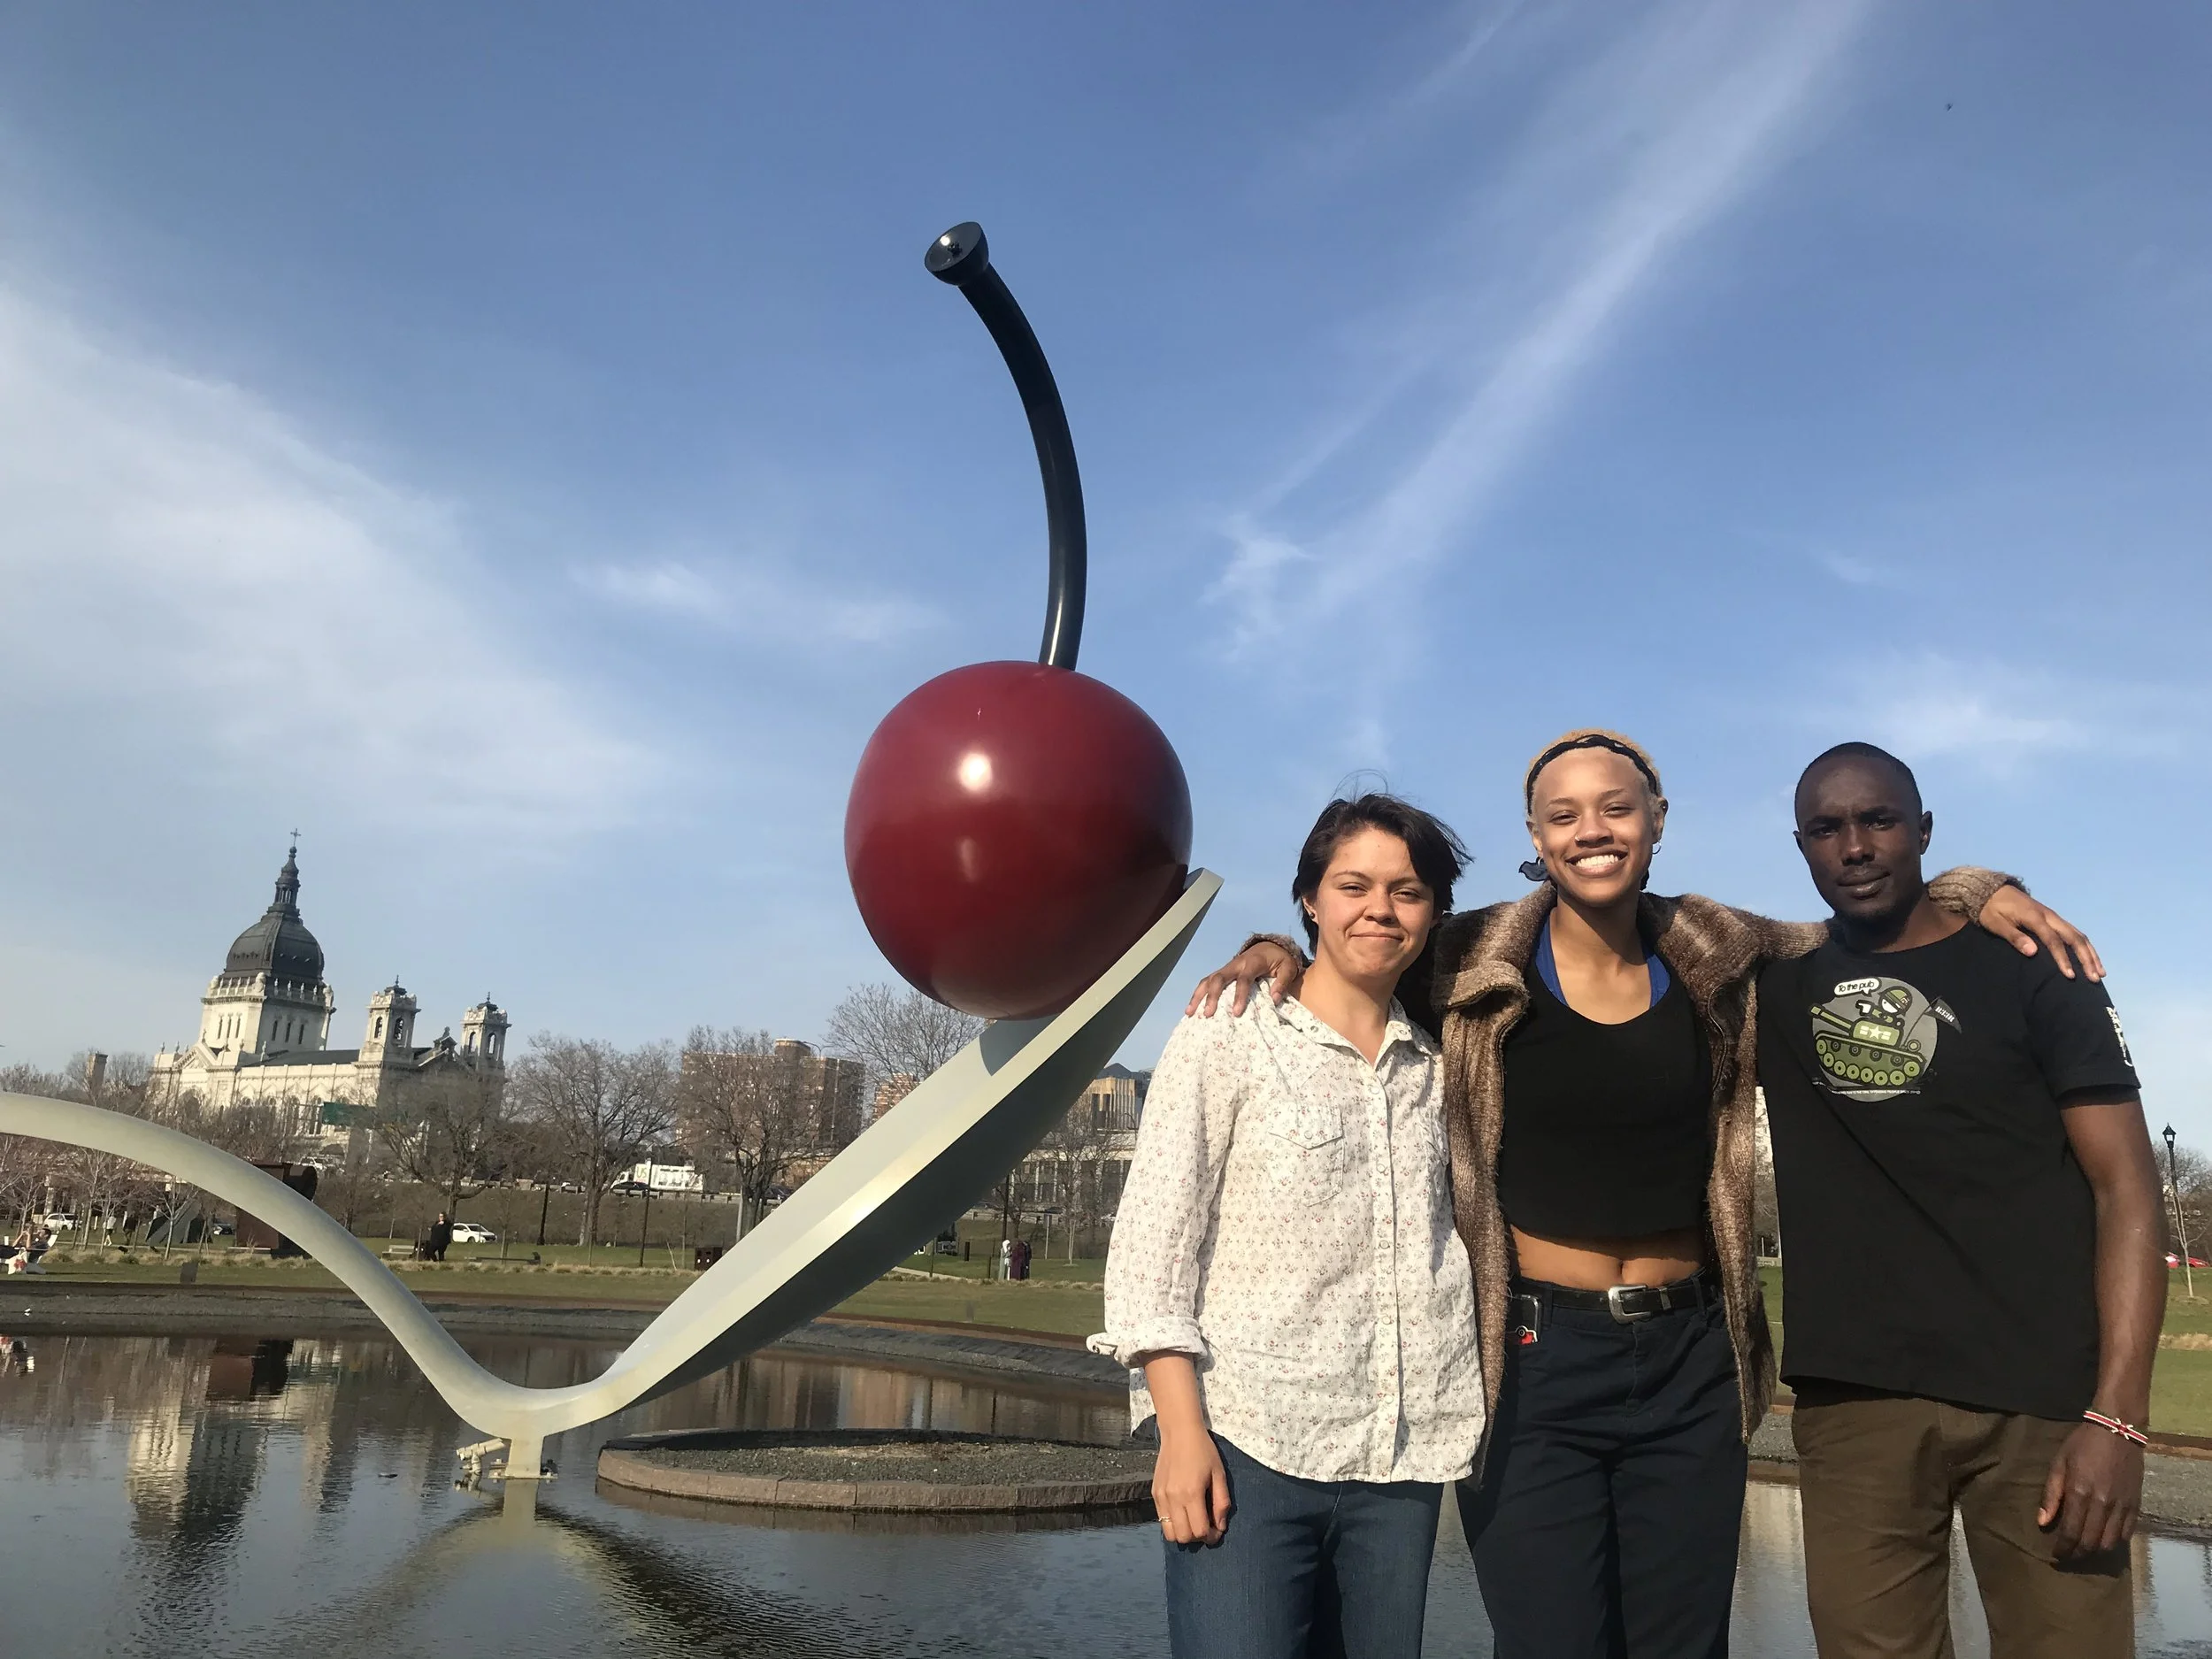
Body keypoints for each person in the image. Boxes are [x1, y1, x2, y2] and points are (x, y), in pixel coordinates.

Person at [1189, 731, 2097, 1659]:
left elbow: (1852, 919)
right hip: (1534, 1362)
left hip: (1688, 1358)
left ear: (1655, 822)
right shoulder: (1469, 959)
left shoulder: (1714, 946)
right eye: (1564, 815)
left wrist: (1973, 888)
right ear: (1536, 838)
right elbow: (1362, 945)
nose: (1593, 830)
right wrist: (1271, 949)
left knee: (1682, 1641)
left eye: (1616, 808)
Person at [1763, 743, 2158, 1659]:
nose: (1854, 846)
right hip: (1857, 1408)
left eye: (1879, 821)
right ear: (1801, 848)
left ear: (1924, 833)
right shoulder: (1775, 982)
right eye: (1826, 829)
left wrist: (2118, 1419)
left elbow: (2128, 1190)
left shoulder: (2033, 968)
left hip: (2041, 1406)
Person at [1092, 795, 1485, 1659]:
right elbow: (1156, 1241)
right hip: (1249, 1444)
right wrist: (1181, 1433)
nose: (1379, 909)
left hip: (1400, 1458)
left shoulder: (1443, 1059)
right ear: (1309, 897)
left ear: (1433, 913)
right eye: (1353, 885)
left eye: (1407, 891)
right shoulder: (1230, 1029)